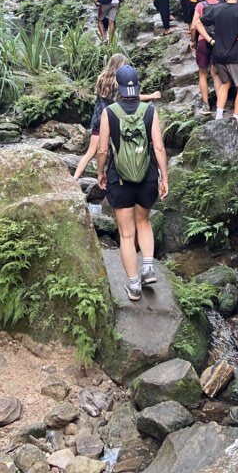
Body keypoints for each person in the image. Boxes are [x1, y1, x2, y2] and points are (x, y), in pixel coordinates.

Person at [97, 65, 169, 301]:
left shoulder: (110, 112)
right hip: (147, 177)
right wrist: (164, 176)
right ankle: (148, 266)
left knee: (126, 234)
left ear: (118, 86)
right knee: (144, 222)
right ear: (137, 85)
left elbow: (102, 149)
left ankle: (134, 285)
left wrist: (100, 172)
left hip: (120, 178)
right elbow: (158, 147)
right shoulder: (149, 111)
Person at [73, 54, 161, 182]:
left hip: (98, 119)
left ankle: (75, 178)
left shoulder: (101, 78)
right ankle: (126, 177)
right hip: (114, 120)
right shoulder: (118, 83)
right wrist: (151, 96)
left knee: (91, 152)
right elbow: (133, 96)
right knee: (122, 149)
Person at [190, 0, 220, 112]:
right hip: (219, 42)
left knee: (203, 74)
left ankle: (206, 105)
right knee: (216, 73)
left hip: (203, 41)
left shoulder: (200, 5)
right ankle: (220, 104)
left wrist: (193, 40)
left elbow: (193, 25)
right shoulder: (222, 6)